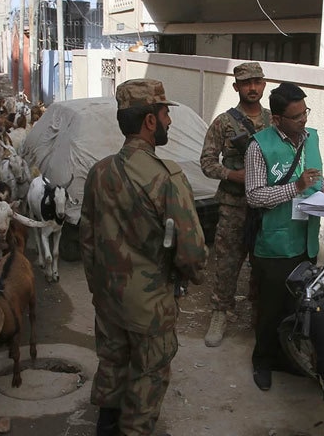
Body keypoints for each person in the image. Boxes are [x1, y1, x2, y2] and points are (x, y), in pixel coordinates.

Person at [80, 79, 208, 436]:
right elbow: (193, 252)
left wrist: (100, 290)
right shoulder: (168, 178)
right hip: (150, 307)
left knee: (112, 368)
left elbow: (86, 239)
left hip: (109, 299)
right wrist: (187, 278)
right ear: (150, 121)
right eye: (166, 113)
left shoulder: (99, 171)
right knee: (146, 385)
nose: (170, 121)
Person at [245, 82, 324, 391]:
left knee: (296, 308)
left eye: (305, 113)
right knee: (269, 309)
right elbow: (255, 196)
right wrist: (294, 188)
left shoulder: (313, 138)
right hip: (274, 243)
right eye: (296, 116)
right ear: (277, 119)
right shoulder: (259, 146)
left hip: (305, 240)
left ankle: (286, 358)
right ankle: (263, 361)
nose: (303, 121)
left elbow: (316, 175)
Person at [200, 61, 272, 347]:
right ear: (236, 87)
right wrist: (232, 175)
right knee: (227, 262)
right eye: (246, 83)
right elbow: (206, 162)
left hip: (266, 205)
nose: (252, 88)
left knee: (262, 262)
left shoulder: (273, 120)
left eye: (257, 82)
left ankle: (258, 314)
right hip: (233, 204)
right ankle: (220, 312)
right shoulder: (223, 122)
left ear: (264, 84)